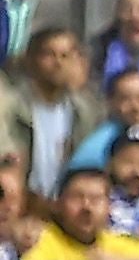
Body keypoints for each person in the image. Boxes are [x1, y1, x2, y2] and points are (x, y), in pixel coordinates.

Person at [21, 167, 139, 260]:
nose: (86, 207)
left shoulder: (114, 243)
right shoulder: (38, 241)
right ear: (58, 203)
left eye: (96, 199)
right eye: (77, 197)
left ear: (109, 206)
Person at [9, 28, 101, 199]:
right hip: (23, 206)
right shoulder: (11, 107)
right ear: (31, 59)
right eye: (49, 55)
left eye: (65, 56)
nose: (58, 63)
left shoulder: (85, 112)